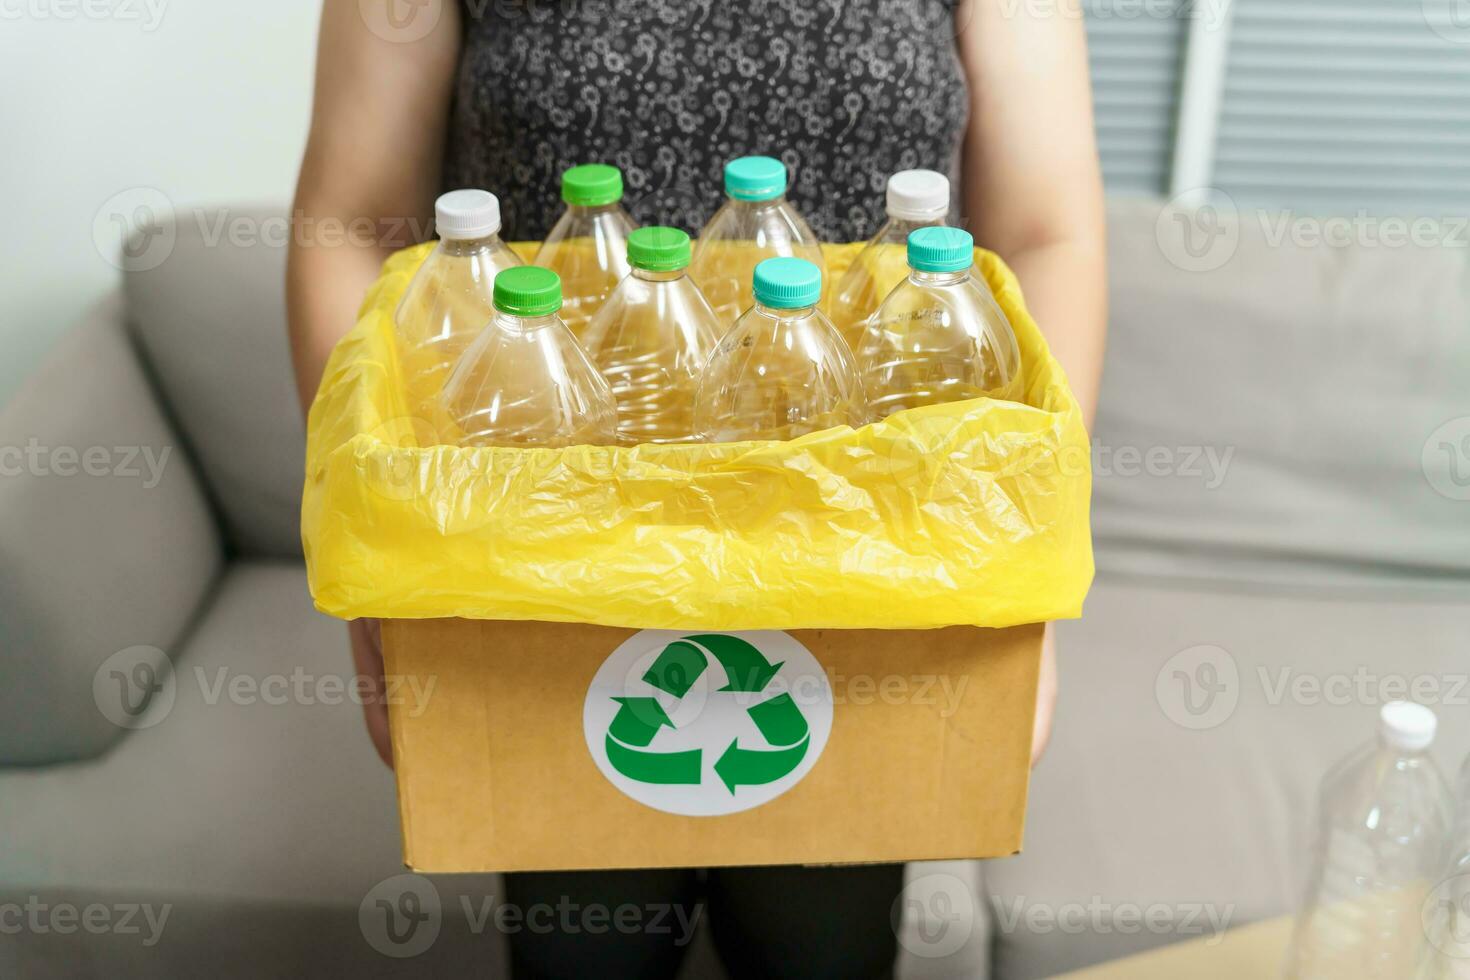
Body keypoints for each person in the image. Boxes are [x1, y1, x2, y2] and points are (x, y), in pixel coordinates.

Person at [287, 1, 1105, 976]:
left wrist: (1027, 561)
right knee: (585, 947)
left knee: (820, 946)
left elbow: (1046, 229)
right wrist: (367, 550)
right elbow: (355, 222)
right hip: (544, 569)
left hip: (861, 573)